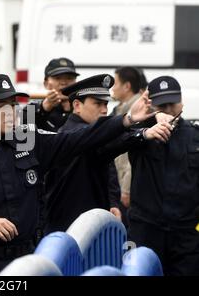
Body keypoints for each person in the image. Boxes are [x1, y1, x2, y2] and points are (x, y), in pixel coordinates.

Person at [0, 73, 162, 276]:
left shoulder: (30, 143)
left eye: (13, 105)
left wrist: (128, 119)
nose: (10, 112)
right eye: (1, 106)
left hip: (30, 260)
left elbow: (82, 138)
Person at [42, 74, 170, 234]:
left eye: (105, 104)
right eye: (97, 103)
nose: (104, 110)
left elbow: (108, 169)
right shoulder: (72, 134)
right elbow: (108, 141)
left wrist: (113, 202)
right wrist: (141, 130)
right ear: (77, 105)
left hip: (89, 227)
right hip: (67, 231)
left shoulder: (97, 136)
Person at [128, 76, 199, 276]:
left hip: (186, 235)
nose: (167, 110)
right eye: (161, 105)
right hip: (145, 230)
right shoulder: (140, 133)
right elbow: (115, 140)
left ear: (182, 102)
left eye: (172, 103)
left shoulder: (195, 136)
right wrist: (147, 121)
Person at [110, 67, 144, 227]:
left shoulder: (138, 111)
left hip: (128, 185)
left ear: (127, 86)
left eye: (115, 83)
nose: (112, 88)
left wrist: (126, 189)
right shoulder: (120, 109)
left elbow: (134, 152)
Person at [23, 57, 79, 131]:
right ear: (46, 84)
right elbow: (21, 131)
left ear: (76, 83)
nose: (64, 83)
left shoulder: (84, 108)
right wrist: (44, 108)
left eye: (69, 78)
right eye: (57, 78)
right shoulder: (33, 108)